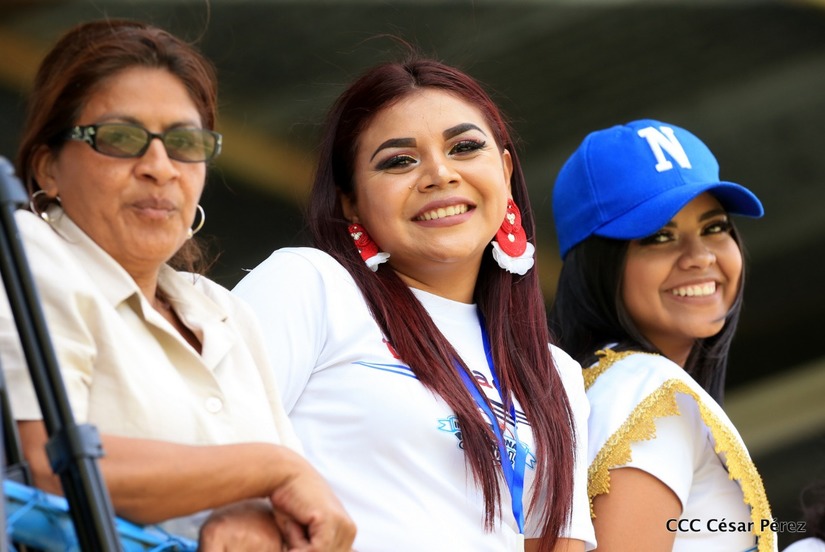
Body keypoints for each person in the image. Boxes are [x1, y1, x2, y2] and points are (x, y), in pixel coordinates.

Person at [0, 19, 355, 551]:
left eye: (185, 142)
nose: (160, 167)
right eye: (121, 138)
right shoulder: (28, 253)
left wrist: (259, 515)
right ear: (48, 167)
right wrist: (269, 470)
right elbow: (48, 465)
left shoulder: (224, 312)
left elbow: (301, 513)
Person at [233, 55, 595, 552]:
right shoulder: (311, 285)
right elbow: (201, 437)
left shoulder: (554, 372)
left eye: (465, 147)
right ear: (350, 201)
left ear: (507, 171)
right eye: (399, 161)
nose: (440, 174)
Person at [548, 119, 776, 551]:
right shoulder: (648, 390)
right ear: (597, 266)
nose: (700, 257)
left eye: (714, 227)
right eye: (659, 237)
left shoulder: (609, 385)